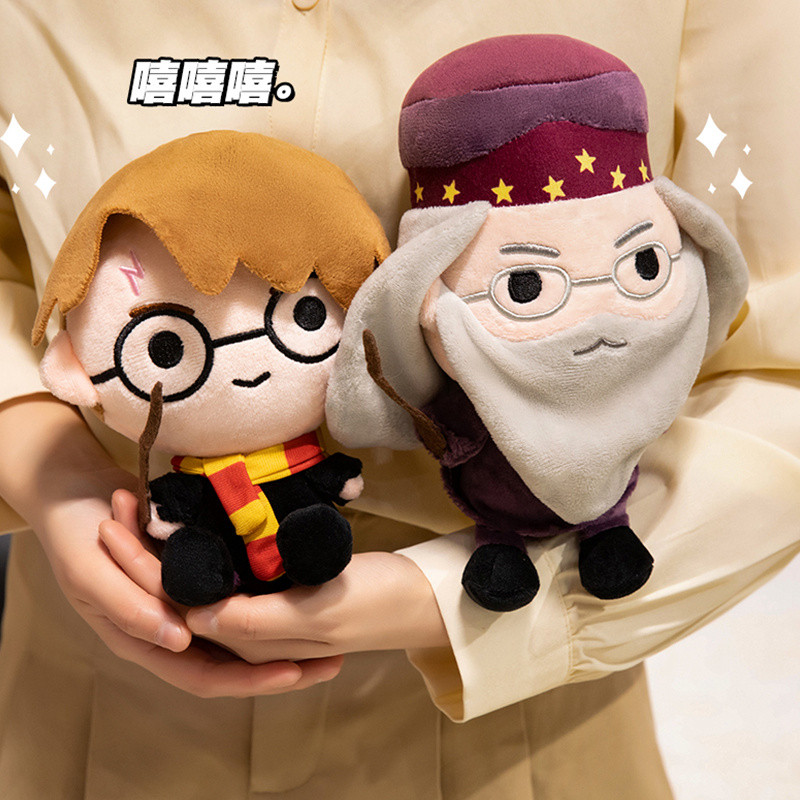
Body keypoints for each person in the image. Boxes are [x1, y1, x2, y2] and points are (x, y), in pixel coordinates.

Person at [0, 2, 797, 798]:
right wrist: (53, 475)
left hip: (521, 704)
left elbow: (779, 360)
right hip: (96, 697)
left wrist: (444, 598)